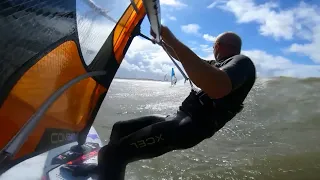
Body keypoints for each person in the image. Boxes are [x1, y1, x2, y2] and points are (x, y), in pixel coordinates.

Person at [63, 25, 256, 179]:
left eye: (213, 46)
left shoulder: (242, 62)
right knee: (120, 129)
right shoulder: (216, 64)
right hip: (176, 118)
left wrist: (171, 38)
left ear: (218, 46)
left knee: (110, 154)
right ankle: (106, 171)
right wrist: (162, 41)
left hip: (188, 128)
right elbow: (184, 58)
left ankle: (110, 164)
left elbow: (217, 87)